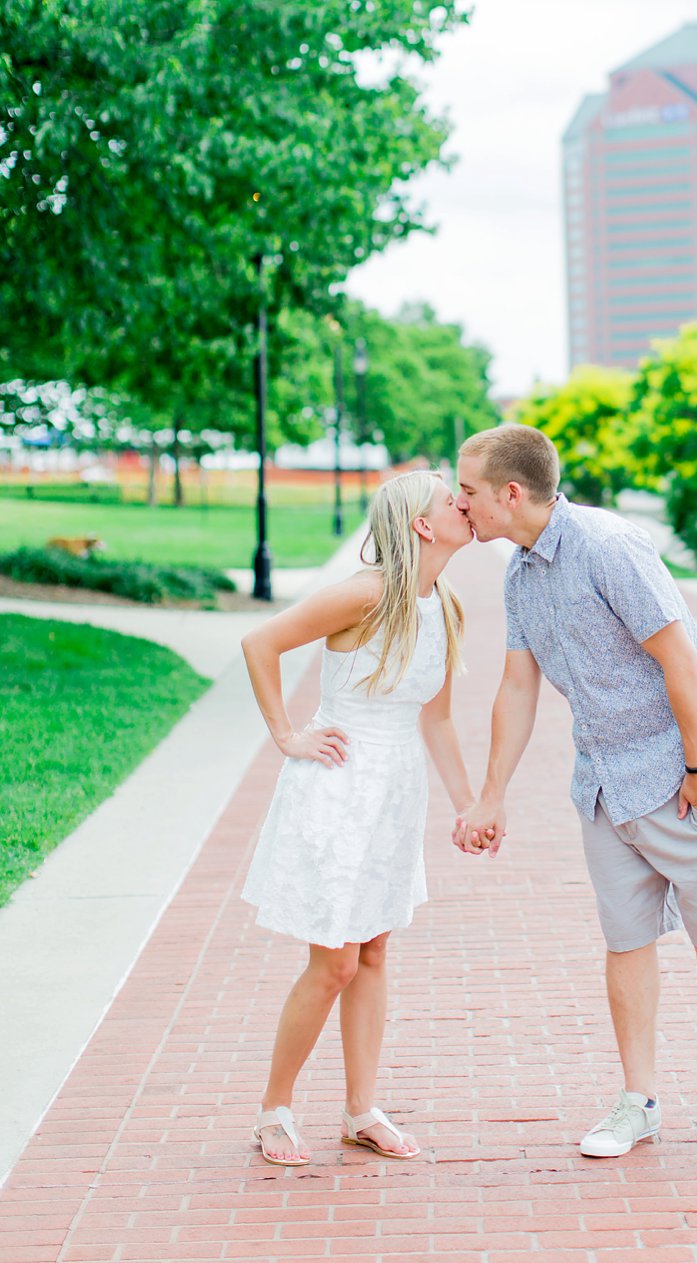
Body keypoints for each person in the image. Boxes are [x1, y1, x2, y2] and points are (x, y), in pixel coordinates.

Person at [449, 425, 697, 1159]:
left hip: (679, 770)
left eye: (470, 491)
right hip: (604, 781)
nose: (462, 503)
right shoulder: (519, 574)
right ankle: (637, 1101)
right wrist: (490, 795)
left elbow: (679, 655)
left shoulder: (608, 547)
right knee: (627, 939)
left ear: (511, 493)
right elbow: (518, 687)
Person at [239, 470, 477, 1166]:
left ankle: (359, 1109)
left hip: (395, 793)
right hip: (337, 787)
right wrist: (287, 734)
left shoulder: (446, 603)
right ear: (422, 526)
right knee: (335, 959)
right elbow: (261, 643)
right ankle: (273, 1109)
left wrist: (468, 804)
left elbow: (436, 718)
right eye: (450, 499)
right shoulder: (367, 591)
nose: (465, 503)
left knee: (373, 948)